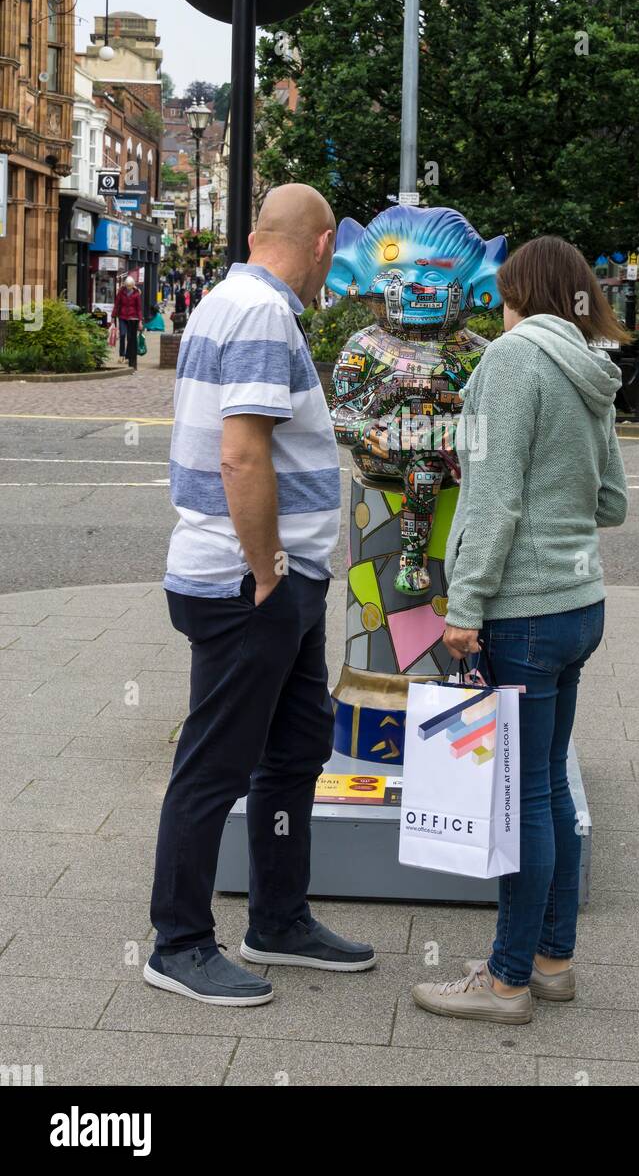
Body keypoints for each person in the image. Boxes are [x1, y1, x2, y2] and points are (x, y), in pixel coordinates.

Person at [147, 184, 375, 1007]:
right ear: (320, 247)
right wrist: (269, 568)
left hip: (275, 580)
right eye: (333, 259)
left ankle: (277, 918)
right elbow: (241, 456)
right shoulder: (262, 315)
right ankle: (177, 942)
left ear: (254, 235)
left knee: (293, 751)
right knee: (216, 765)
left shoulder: (233, 300)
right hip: (250, 581)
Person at [412, 235, 630, 1025]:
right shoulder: (591, 368)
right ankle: (552, 961)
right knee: (551, 788)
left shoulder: (511, 362)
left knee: (523, 800)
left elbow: (496, 499)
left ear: (520, 295)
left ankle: (505, 982)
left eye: (503, 293)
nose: (498, 307)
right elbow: (612, 501)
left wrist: (464, 606)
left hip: (523, 611)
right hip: (580, 604)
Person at [112, 276, 143, 371]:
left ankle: (128, 355)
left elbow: (139, 308)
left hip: (133, 318)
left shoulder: (136, 294)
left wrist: (140, 321)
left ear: (133, 285)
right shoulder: (121, 292)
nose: (128, 287)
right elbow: (117, 304)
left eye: (130, 286)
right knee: (122, 334)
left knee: (130, 337)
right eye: (127, 285)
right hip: (122, 316)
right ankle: (121, 355)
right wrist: (113, 317)